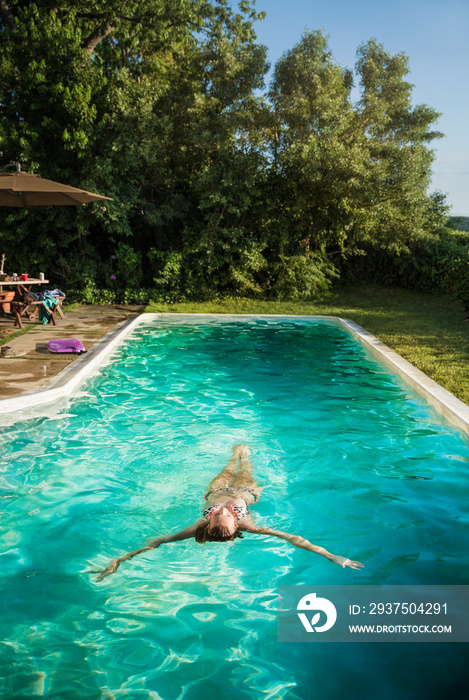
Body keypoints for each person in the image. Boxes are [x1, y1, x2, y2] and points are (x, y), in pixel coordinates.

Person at [90, 445, 364, 580]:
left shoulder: (200, 525)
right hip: (247, 493)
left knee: (228, 470)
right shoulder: (248, 525)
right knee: (245, 471)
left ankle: (238, 453)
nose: (221, 510)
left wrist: (121, 559)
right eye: (224, 512)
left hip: (215, 489)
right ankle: (243, 454)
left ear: (209, 522)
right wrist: (330, 555)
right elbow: (292, 537)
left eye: (217, 513)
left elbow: (159, 541)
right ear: (236, 524)